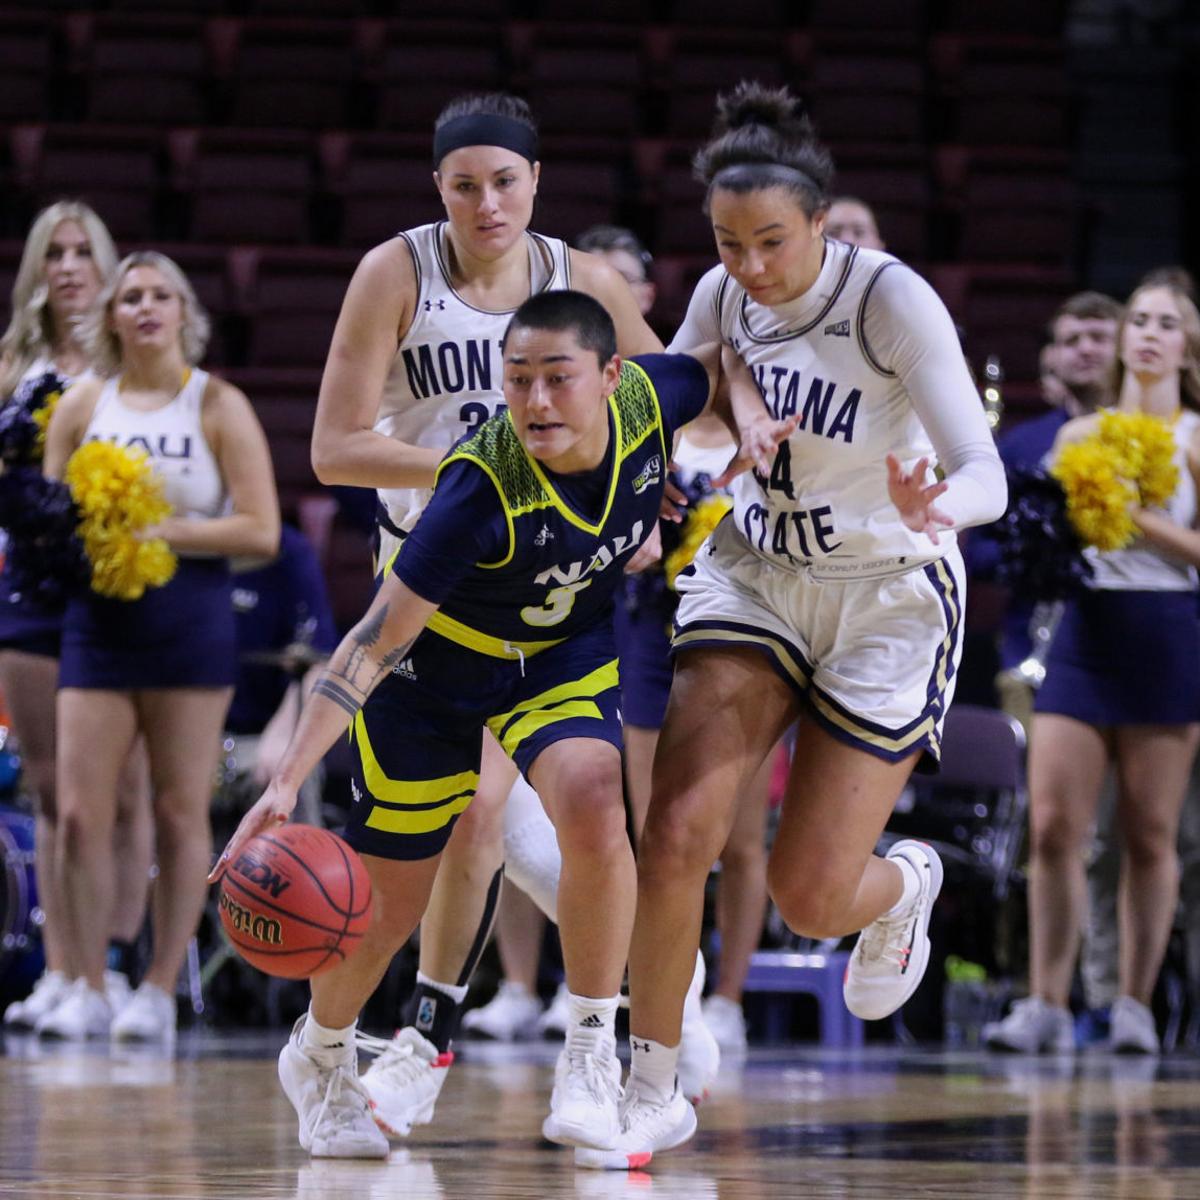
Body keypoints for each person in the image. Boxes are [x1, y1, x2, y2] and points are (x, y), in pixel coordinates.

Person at [210, 290, 776, 1160]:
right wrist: (286, 780)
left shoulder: (648, 399)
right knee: (384, 905)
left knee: (595, 798)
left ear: (610, 375)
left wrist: (755, 420)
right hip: (433, 672)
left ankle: (590, 1053)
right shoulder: (479, 486)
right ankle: (318, 1052)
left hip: (557, 654)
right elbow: (372, 641)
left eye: (558, 378)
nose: (537, 400)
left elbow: (723, 359)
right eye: (518, 380)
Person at [577, 82, 1007, 1169]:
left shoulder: (891, 301)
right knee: (676, 830)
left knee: (811, 899)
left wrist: (937, 507)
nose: (752, 265)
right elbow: (682, 412)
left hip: (887, 594)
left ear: (820, 221)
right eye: (730, 243)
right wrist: (689, 460)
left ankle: (904, 885)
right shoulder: (722, 295)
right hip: (760, 574)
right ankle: (651, 1085)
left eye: (772, 241)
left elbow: (985, 470)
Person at [303, 92, 721, 1134]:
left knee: (550, 807)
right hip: (433, 583)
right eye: (464, 185)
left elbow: (662, 390)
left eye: (503, 182)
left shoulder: (581, 277)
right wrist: (480, 474)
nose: (486, 203)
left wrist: (650, 491)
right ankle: (426, 1036)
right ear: (436, 188)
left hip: (551, 590)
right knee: (471, 825)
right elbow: (333, 449)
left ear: (536, 184)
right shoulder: (395, 273)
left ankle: (479, 1040)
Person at [39, 250, 279, 1041]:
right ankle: (84, 980)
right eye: (131, 296)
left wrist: (158, 530)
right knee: (80, 813)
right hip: (97, 622)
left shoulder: (218, 403)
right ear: (111, 316)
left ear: (184, 312)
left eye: (160, 295)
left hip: (189, 618)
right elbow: (47, 520)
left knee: (179, 811)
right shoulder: (82, 404)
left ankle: (159, 986)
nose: (145, 307)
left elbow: (261, 530)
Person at [983, 279, 1200, 1056]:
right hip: (1083, 628)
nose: (1148, 333)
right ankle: (1045, 1001)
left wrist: (1133, 515)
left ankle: (1132, 1005)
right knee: (1052, 828)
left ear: (1188, 346)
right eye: (1138, 319)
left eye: (1167, 322)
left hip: (1167, 631)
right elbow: (1034, 540)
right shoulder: (1079, 435)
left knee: (1149, 834)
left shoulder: (1195, 437)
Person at [0, 202, 154, 1034]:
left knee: (123, 791)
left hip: (117, 587)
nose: (66, 266)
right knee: (54, 791)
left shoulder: (136, 359)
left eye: (80, 252)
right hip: (30, 586)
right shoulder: (12, 363)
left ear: (105, 265)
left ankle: (116, 962)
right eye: (52, 253)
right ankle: (64, 967)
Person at [223, 522, 340, 827]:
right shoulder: (177, 545)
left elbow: (318, 657)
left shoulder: (290, 551)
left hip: (258, 735)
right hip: (191, 737)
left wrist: (284, 736)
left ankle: (298, 858)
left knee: (292, 769)